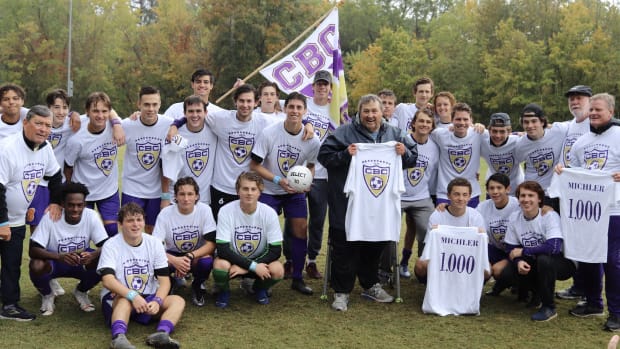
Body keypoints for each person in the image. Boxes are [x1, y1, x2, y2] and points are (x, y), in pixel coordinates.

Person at [318, 94, 417, 311]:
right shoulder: (343, 133)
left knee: (375, 243)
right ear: (359, 113)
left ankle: (370, 284)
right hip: (346, 203)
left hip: (377, 205)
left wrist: (405, 152)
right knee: (344, 246)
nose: (370, 116)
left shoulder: (396, 133)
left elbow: (413, 157)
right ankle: (341, 291)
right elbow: (323, 156)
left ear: (383, 113)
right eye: (366, 111)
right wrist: (345, 154)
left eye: (375, 111)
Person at [557, 93, 620, 330]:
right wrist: (564, 172)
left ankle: (617, 312)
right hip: (588, 211)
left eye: (599, 110)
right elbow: (577, 173)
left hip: (614, 209)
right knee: (588, 255)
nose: (593, 113)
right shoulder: (581, 142)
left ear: (611, 112)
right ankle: (594, 302)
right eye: (591, 109)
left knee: (613, 261)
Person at [250, 92, 320, 295]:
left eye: (299, 108)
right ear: (285, 109)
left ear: (305, 112)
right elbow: (254, 164)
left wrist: (307, 182)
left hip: (294, 192)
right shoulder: (270, 133)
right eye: (292, 107)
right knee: (263, 233)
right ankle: (261, 278)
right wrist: (277, 180)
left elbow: (311, 166)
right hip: (270, 189)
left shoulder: (312, 140)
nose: (295, 111)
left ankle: (297, 278)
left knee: (301, 229)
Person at [0, 105, 63, 321]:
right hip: (3, 219)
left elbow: (55, 176)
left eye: (47, 125)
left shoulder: (44, 147)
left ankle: (9, 305)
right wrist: (2, 222)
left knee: (11, 264)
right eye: (38, 123)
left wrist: (55, 202)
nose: (44, 129)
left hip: (16, 219)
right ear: (25, 123)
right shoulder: (7, 148)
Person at [98, 203, 185, 349]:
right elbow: (107, 280)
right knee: (124, 300)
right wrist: (133, 296)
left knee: (177, 301)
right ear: (120, 224)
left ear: (144, 222)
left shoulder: (154, 243)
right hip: (120, 297)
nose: (135, 224)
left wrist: (157, 301)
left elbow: (164, 282)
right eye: (130, 220)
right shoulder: (111, 245)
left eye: (139, 220)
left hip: (147, 298)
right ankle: (118, 338)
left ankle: (162, 334)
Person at [29, 182, 108, 316]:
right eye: (71, 205)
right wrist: (60, 257)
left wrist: (93, 255)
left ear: (84, 204)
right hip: (56, 261)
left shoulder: (91, 215)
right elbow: (33, 250)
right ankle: (48, 295)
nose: (75, 209)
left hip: (80, 260)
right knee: (36, 265)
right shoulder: (50, 217)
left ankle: (81, 291)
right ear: (63, 204)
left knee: (103, 261)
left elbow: (107, 245)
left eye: (79, 205)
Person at [501, 181, 576, 322]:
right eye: (522, 195)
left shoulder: (549, 216)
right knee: (508, 272)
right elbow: (510, 248)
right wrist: (519, 261)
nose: (526, 199)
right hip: (535, 258)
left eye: (531, 195)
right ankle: (536, 294)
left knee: (544, 260)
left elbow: (553, 247)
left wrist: (523, 252)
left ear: (539, 199)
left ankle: (549, 307)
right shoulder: (515, 217)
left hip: (563, 262)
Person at [212, 172, 284, 308]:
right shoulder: (225, 211)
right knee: (220, 265)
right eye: (245, 189)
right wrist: (252, 266)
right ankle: (224, 291)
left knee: (278, 269)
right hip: (232, 260)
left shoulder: (269, 213)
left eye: (253, 189)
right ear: (238, 191)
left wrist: (248, 267)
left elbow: (276, 251)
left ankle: (259, 288)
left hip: (258, 259)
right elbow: (223, 249)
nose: (249, 193)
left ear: (259, 192)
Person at [389, 108, 438, 280]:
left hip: (422, 197)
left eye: (428, 122)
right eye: (421, 121)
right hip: (398, 196)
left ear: (432, 126)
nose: (424, 125)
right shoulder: (402, 141)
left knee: (430, 231)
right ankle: (387, 269)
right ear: (414, 123)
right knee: (389, 232)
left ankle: (424, 269)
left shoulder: (434, 146)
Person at [152, 177, 216, 307]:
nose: (186, 199)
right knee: (155, 260)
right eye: (182, 194)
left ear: (197, 196)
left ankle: (197, 285)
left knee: (207, 261)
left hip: (194, 255)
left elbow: (211, 244)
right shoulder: (165, 213)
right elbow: (155, 247)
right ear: (175, 196)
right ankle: (169, 283)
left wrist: (189, 256)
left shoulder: (205, 210)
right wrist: (174, 261)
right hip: (172, 254)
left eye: (190, 194)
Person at [64, 92, 121, 237]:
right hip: (83, 192)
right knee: (81, 233)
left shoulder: (117, 127)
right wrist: (69, 192)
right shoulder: (76, 139)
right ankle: (86, 259)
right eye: (95, 111)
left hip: (108, 191)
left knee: (112, 231)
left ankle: (107, 259)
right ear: (87, 112)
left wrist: (116, 123)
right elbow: (68, 167)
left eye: (104, 111)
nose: (100, 116)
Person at [555, 85, 593, 302]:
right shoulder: (568, 126)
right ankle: (578, 286)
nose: (574, 102)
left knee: (586, 245)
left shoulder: (595, 124)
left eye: (579, 98)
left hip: (587, 195)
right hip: (566, 193)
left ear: (590, 100)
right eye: (571, 99)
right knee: (572, 243)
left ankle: (589, 292)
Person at [413, 178, 487, 283]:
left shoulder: (476, 216)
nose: (461, 198)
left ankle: (468, 288)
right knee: (421, 265)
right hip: (441, 257)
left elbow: (481, 246)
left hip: (466, 258)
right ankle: (434, 286)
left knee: (487, 269)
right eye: (456, 194)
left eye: (465, 195)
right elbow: (430, 245)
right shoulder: (437, 215)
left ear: (469, 197)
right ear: (448, 196)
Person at [121, 86, 173, 233]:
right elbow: (105, 120)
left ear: (160, 104)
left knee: (153, 230)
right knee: (130, 229)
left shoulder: (169, 124)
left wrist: (165, 196)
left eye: (154, 104)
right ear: (139, 104)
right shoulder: (127, 125)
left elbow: (192, 119)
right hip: (132, 188)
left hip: (156, 191)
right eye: (146, 104)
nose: (151, 109)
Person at [515, 103, 569, 212]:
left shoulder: (558, 131)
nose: (530, 126)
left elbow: (579, 123)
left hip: (557, 192)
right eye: (526, 122)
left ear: (542, 121)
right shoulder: (520, 144)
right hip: (534, 194)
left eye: (534, 121)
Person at [430, 102, 484, 208]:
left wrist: (522, 134)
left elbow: (502, 135)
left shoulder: (478, 133)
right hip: (445, 194)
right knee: (444, 225)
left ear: (471, 120)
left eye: (465, 119)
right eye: (458, 119)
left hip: (471, 194)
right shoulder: (440, 134)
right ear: (452, 120)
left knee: (470, 224)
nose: (462, 122)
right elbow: (421, 132)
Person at [475, 173, 520, 296]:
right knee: (484, 268)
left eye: (499, 188)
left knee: (498, 270)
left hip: (515, 250)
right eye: (491, 188)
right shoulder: (483, 207)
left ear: (508, 189)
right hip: (495, 248)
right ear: (487, 190)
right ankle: (472, 294)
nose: (495, 192)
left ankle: (518, 285)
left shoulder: (518, 205)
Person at [480, 112, 524, 195]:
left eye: (502, 131)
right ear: (489, 130)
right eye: (494, 131)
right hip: (494, 189)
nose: (498, 135)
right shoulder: (483, 142)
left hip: (516, 189)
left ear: (509, 131)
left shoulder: (518, 141)